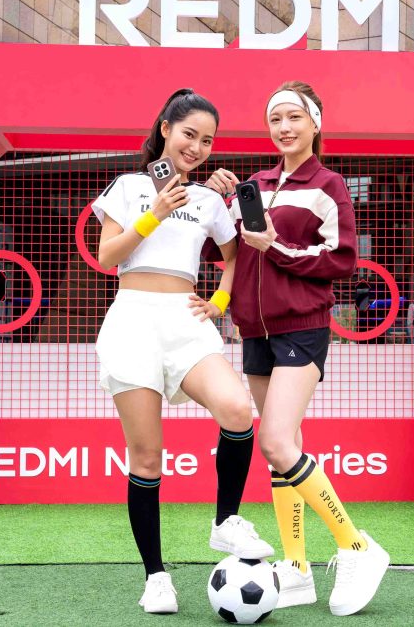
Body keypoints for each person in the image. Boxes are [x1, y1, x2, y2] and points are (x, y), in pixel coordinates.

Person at [206, 81, 390, 616]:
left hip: (301, 327)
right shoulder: (254, 186)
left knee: (276, 443)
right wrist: (215, 197)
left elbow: (342, 259)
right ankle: (297, 568)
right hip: (255, 331)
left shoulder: (328, 185)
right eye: (275, 119)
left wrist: (278, 248)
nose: (284, 128)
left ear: (315, 124)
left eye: (293, 117)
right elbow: (225, 249)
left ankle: (357, 547)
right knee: (284, 445)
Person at [93, 88, 273, 615]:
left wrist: (219, 301)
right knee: (147, 456)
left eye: (207, 140)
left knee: (237, 408)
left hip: (186, 321)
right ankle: (155, 576)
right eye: (189, 134)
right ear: (165, 129)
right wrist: (153, 214)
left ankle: (225, 521)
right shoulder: (129, 186)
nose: (196, 147)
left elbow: (234, 256)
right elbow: (106, 256)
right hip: (132, 319)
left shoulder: (209, 200)